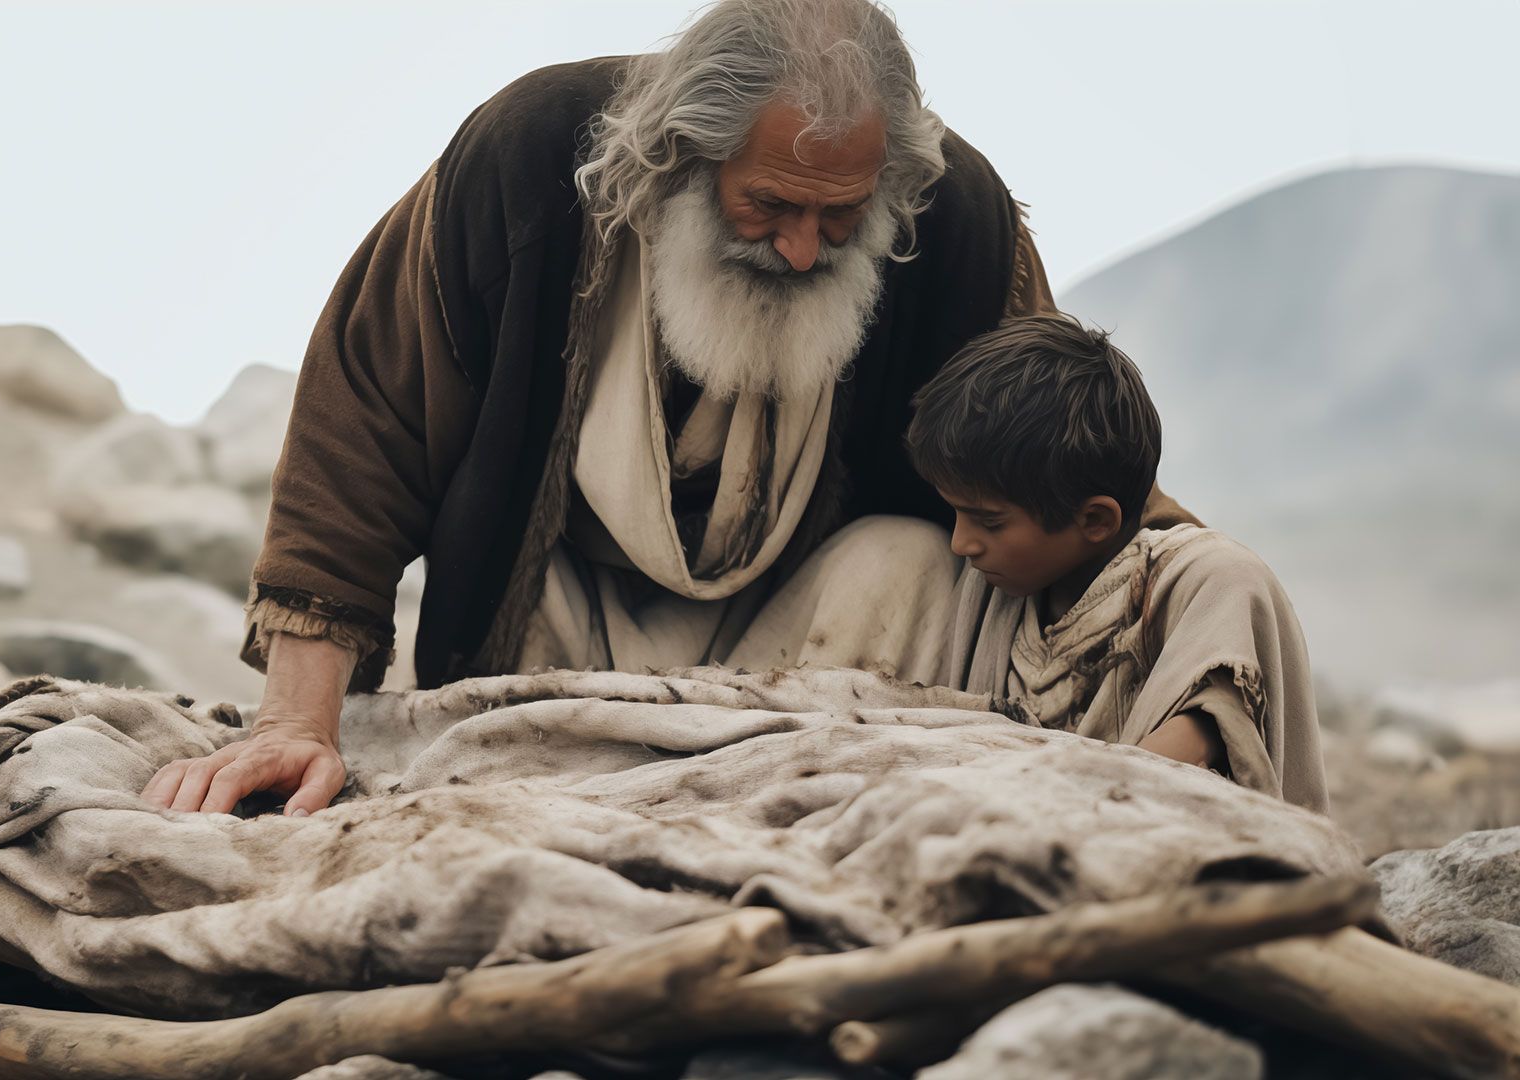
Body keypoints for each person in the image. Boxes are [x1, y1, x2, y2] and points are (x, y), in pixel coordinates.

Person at [144, 0, 1191, 816]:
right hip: (558, 631)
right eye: (770, 204)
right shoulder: (523, 160)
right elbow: (365, 432)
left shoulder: (951, 220)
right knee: (525, 637)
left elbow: (1051, 449)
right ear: (680, 158)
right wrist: (295, 720)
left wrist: (1182, 571)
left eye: (840, 216)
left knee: (911, 563)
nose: (800, 248)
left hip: (811, 659)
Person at [911, 313, 1326, 811]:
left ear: (1096, 521)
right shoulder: (998, 592)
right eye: (955, 513)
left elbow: (1212, 725)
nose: (961, 543)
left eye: (989, 522)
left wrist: (1061, 809)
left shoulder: (1199, 579)